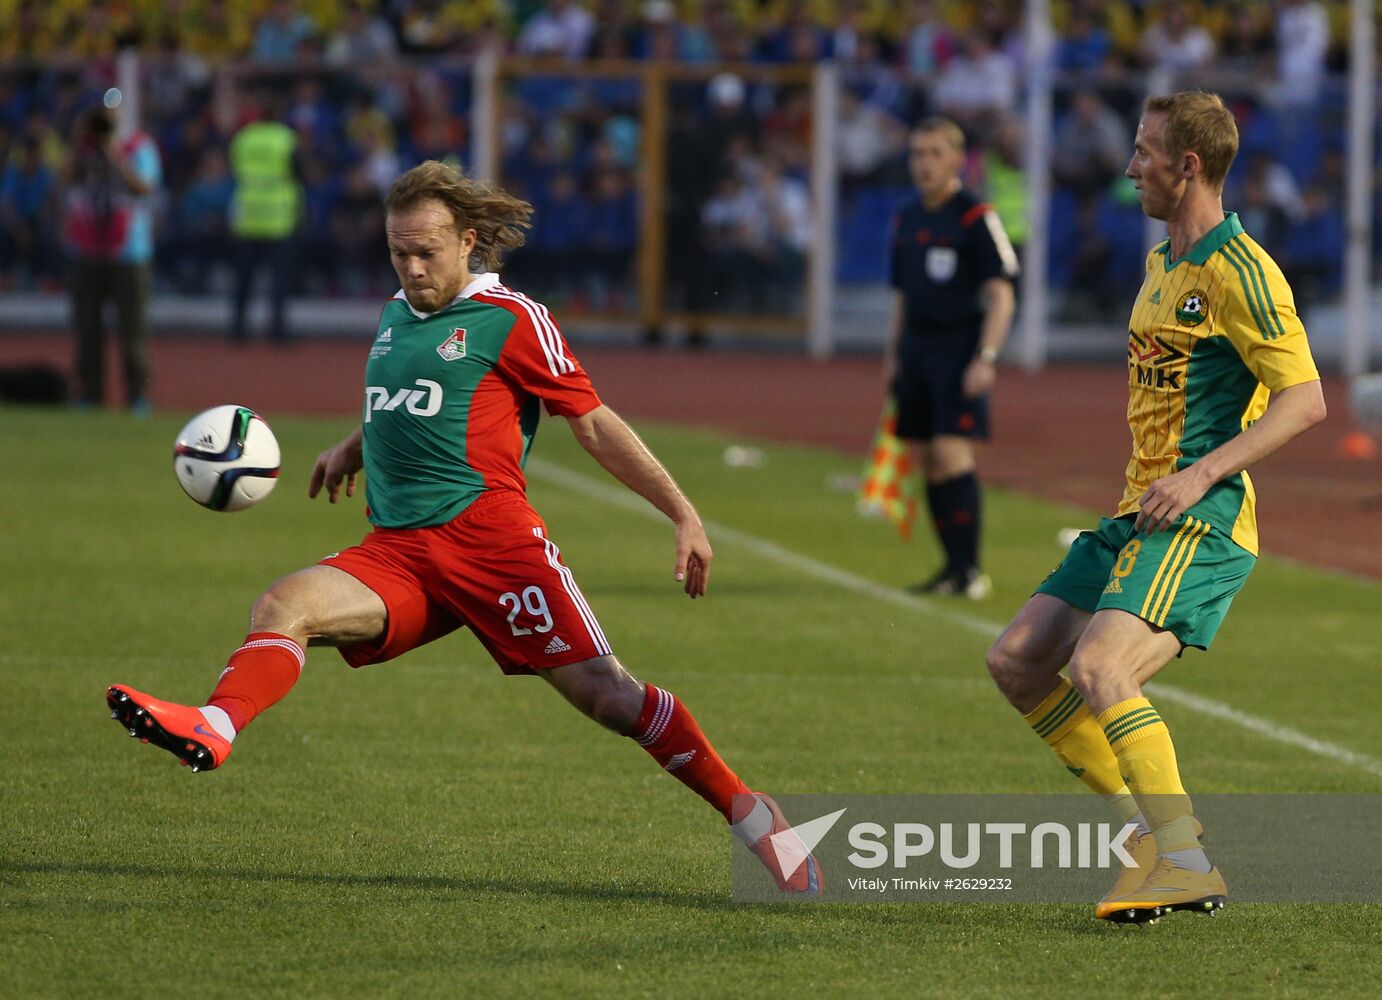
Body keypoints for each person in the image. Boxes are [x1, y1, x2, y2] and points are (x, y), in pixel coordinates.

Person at [106, 160, 821, 896]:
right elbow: (414, 399)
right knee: (284, 605)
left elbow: (594, 423)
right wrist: (354, 445)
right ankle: (216, 725)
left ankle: (752, 816)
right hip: (399, 552)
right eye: (399, 253)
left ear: (468, 241)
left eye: (427, 252)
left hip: (494, 548)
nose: (413, 269)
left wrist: (682, 512)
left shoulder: (512, 319)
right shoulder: (395, 315)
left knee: (611, 698)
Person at [984, 91, 1326, 923]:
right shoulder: (1160, 265)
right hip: (1139, 512)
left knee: (1100, 667)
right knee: (1019, 661)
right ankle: (1148, 837)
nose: (1130, 166)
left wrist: (1199, 475)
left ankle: (1184, 861)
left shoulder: (1242, 272)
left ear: (1188, 165)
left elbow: (1306, 399)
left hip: (1201, 519)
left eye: (1143, 152)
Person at [884, 117, 1019, 598]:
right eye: (917, 154)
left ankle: (970, 570)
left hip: (958, 352)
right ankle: (951, 568)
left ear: (958, 159)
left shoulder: (975, 216)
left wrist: (986, 356)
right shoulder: (907, 218)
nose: (924, 163)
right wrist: (894, 355)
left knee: (952, 453)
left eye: (935, 153)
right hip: (916, 352)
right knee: (930, 461)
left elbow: (1002, 294)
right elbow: (902, 296)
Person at [61, 103, 162, 413]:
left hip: (129, 251)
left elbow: (143, 188)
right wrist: (79, 141)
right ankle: (89, 393)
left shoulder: (139, 146)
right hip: (87, 250)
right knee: (87, 328)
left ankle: (137, 395)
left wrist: (114, 152)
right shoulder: (82, 150)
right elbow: (65, 178)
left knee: (133, 329)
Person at [228, 90, 302, 343]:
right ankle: (277, 331)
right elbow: (298, 172)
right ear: (279, 114)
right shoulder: (286, 138)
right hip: (277, 218)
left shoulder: (244, 138)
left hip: (248, 214)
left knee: (244, 278)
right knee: (278, 279)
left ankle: (238, 329)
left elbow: (235, 169)